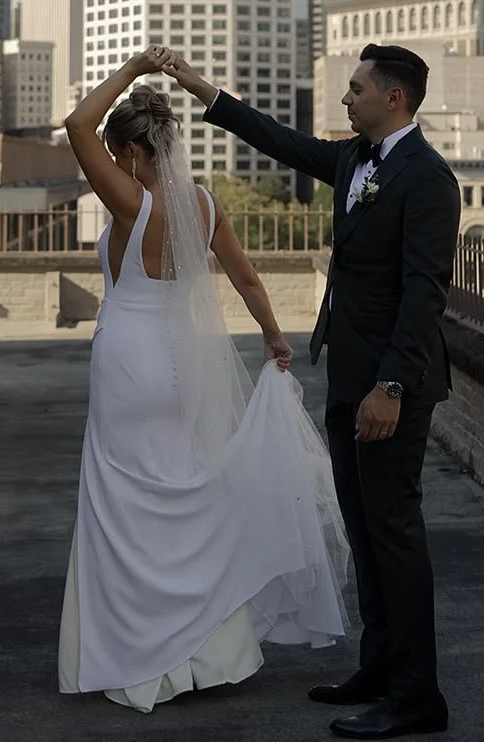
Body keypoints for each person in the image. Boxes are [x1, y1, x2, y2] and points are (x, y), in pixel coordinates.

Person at [165, 44, 461, 740]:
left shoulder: (426, 178)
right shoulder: (356, 160)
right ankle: (379, 668)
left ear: (393, 97)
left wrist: (389, 385)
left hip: (390, 385)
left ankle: (418, 697)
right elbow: (279, 139)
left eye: (355, 89)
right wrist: (197, 86)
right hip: (347, 375)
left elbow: (423, 295)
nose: (344, 99)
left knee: (394, 533)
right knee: (362, 527)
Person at [57, 46, 349, 714]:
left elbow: (76, 126)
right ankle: (207, 653)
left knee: (123, 507)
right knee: (186, 494)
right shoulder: (204, 206)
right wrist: (274, 335)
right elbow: (246, 279)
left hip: (128, 364)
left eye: (114, 150)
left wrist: (131, 70)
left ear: (131, 152)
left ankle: (136, 657)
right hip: (180, 368)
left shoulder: (132, 202)